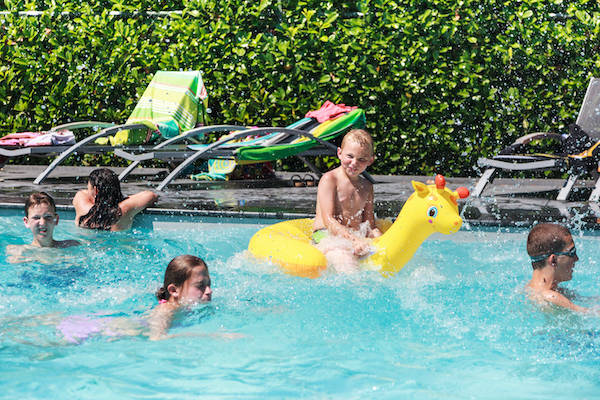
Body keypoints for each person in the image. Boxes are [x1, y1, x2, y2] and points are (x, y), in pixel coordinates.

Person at [312, 128, 382, 272]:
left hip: (353, 237)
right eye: (350, 156)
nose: (354, 163)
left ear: (370, 160)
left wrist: (382, 241)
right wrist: (353, 240)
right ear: (339, 153)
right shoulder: (330, 180)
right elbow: (329, 220)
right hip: (327, 235)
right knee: (346, 261)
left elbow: (369, 225)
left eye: (361, 159)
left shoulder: (367, 187)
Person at [525, 223, 591, 313]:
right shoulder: (551, 297)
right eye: (572, 253)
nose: (576, 259)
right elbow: (591, 313)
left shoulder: (529, 290)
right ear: (553, 260)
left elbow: (589, 301)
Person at [147, 254, 213, 340]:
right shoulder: (165, 312)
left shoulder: (183, 306)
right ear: (174, 290)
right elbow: (156, 339)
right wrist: (212, 336)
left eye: (209, 284)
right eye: (200, 286)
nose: (209, 291)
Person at [73, 168, 158, 231]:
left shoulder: (83, 208)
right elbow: (151, 195)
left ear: (95, 190)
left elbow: (82, 193)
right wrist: (125, 199)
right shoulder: (123, 209)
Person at [6, 192, 79, 262]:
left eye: (48, 217)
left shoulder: (72, 246)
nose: (43, 223)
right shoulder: (18, 252)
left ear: (56, 220)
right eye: (36, 218)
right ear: (26, 222)